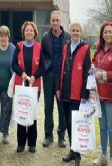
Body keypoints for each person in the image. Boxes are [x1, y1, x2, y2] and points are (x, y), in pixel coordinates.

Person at [56, 22, 91, 166]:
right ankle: (72, 150)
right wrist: (58, 87)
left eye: (77, 31)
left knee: (75, 124)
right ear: (70, 32)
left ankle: (78, 157)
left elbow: (87, 73)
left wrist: (85, 94)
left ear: (81, 33)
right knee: (68, 123)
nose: (75, 33)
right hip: (65, 92)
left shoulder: (85, 49)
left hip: (77, 95)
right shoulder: (65, 47)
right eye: (73, 30)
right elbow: (61, 67)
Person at [92, 21, 112, 166]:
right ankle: (103, 155)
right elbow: (93, 63)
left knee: (111, 127)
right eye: (105, 32)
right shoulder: (99, 49)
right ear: (102, 34)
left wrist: (103, 74)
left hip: (111, 96)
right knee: (102, 126)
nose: (108, 34)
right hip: (99, 94)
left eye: (110, 32)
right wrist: (92, 68)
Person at [12, 21, 45, 153]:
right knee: (22, 112)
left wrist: (34, 76)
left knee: (31, 113)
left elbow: (43, 66)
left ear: (35, 33)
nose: (29, 32)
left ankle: (32, 143)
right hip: (21, 85)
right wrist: (22, 74)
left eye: (31, 30)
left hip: (34, 86)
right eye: (27, 30)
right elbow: (13, 64)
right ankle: (20, 143)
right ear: (23, 33)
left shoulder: (39, 47)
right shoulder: (18, 46)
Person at [41, 10, 70, 148]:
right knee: (48, 107)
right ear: (50, 22)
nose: (55, 23)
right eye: (53, 20)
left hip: (63, 78)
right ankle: (48, 135)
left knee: (62, 108)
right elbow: (42, 55)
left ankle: (61, 136)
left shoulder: (67, 37)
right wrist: (47, 65)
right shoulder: (45, 37)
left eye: (57, 20)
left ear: (60, 21)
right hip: (49, 77)